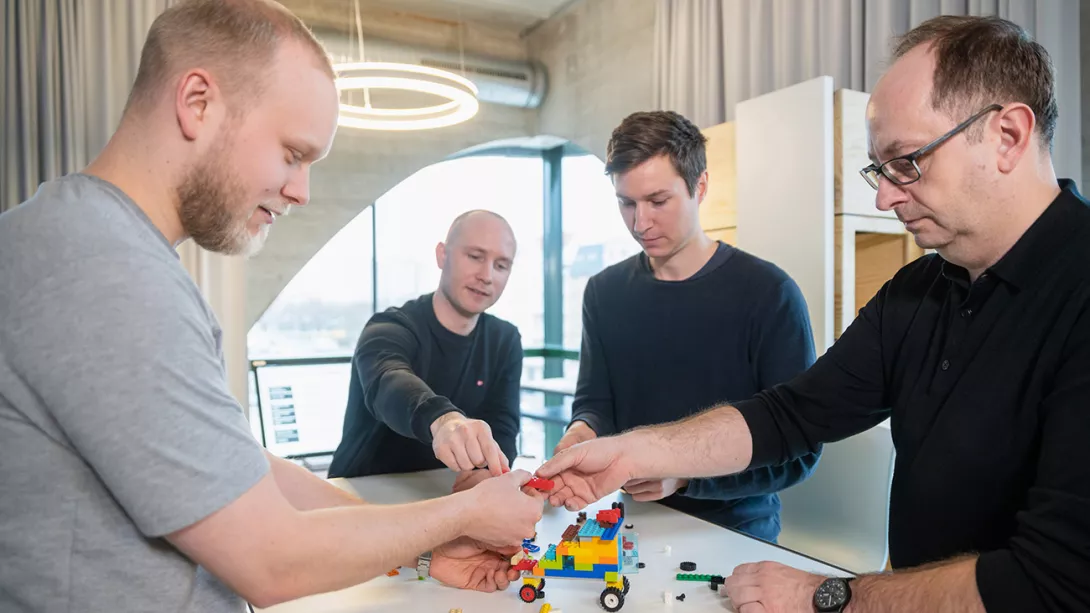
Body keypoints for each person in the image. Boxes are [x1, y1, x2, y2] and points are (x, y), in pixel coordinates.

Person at [0, 2, 543, 612]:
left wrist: (422, 548)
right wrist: (458, 515)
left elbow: (227, 464)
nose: (302, 191)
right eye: (292, 153)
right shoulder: (105, 269)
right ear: (198, 103)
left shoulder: (91, 242)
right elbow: (271, 557)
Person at [537, 15, 1090, 613]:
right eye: (880, 169)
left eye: (908, 161)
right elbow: (790, 414)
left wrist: (828, 595)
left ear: (1007, 135)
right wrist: (633, 453)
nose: (884, 196)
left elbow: (1055, 580)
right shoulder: (918, 290)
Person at [552, 110, 820, 542]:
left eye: (658, 201)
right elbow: (595, 402)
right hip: (627, 521)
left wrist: (684, 479)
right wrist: (581, 433)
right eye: (627, 203)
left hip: (736, 528)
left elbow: (798, 453)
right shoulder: (604, 293)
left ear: (700, 186)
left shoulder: (770, 293)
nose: (640, 223)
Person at [328, 209, 522, 487]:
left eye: (501, 265)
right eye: (475, 257)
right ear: (442, 255)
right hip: (362, 493)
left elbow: (502, 427)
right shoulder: (389, 327)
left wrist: (486, 477)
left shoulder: (505, 339)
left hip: (444, 495)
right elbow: (389, 379)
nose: (486, 275)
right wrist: (444, 420)